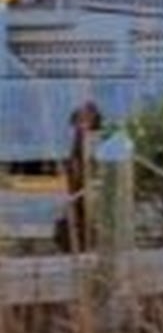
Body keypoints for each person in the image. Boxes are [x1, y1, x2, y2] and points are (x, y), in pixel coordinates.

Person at [63, 99, 103, 248]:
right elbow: (75, 155)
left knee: (88, 204)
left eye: (87, 117)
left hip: (87, 170)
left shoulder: (95, 134)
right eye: (82, 118)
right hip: (77, 170)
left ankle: (89, 236)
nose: (84, 122)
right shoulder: (78, 133)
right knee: (77, 204)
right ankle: (79, 238)